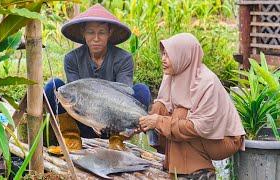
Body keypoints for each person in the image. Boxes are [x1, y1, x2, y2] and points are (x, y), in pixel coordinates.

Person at [44, 4, 151, 151]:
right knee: (53, 86)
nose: (96, 38)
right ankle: (71, 139)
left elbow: (125, 93)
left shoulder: (124, 58)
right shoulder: (71, 58)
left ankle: (117, 140)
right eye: (90, 32)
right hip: (83, 119)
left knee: (141, 90)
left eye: (101, 32)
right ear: (83, 33)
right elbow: (75, 96)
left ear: (110, 33)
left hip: (115, 121)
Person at [138, 33, 246, 179]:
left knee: (179, 115)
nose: (163, 59)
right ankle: (175, 165)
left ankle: (200, 171)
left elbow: (202, 127)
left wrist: (159, 121)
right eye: (163, 54)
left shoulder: (207, 82)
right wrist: (145, 121)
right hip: (201, 133)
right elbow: (163, 107)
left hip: (223, 139)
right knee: (159, 108)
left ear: (184, 56)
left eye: (168, 55)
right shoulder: (172, 74)